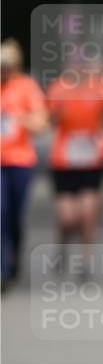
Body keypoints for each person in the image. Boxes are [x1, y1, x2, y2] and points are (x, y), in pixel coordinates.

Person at [46, 52, 103, 248]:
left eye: (81, 64)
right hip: (64, 159)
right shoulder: (57, 88)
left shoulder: (99, 87)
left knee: (87, 213)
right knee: (68, 218)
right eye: (73, 64)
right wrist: (57, 113)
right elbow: (50, 122)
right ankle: (63, 240)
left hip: (91, 159)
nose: (77, 68)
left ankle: (84, 259)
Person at [0, 39, 48, 292]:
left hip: (19, 160)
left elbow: (41, 125)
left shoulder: (26, 87)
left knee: (14, 216)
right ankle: (2, 268)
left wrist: (18, 117)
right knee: (0, 210)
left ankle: (14, 255)